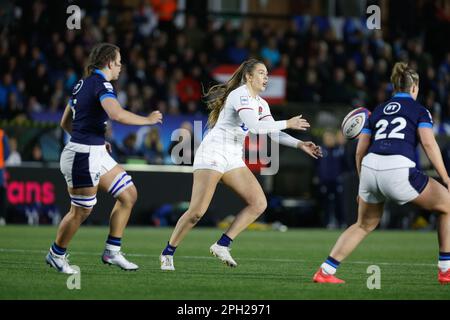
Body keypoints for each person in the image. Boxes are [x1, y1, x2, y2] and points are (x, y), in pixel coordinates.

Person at [159, 59, 322, 271]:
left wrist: (299, 143)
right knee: (197, 211)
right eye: (261, 73)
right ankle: (168, 252)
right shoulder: (240, 94)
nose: (266, 77)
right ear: (248, 76)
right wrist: (288, 122)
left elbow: (271, 131)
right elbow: (255, 127)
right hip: (213, 152)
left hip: (233, 157)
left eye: (266, 74)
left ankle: (222, 245)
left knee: (259, 203)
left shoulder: (261, 103)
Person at [313, 62, 450, 284]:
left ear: (394, 87)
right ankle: (445, 271)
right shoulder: (419, 110)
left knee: (363, 224)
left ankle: (325, 272)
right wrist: (445, 178)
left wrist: (361, 185)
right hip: (398, 168)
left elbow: (360, 151)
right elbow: (429, 143)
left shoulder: (377, 110)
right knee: (447, 205)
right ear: (414, 87)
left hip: (370, 168)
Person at [45, 43, 162, 274]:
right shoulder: (102, 84)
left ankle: (112, 251)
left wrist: (95, 138)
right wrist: (148, 120)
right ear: (109, 62)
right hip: (82, 155)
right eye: (118, 62)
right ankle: (56, 254)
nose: (120, 67)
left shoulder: (82, 83)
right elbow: (116, 114)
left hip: (93, 150)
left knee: (128, 194)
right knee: (80, 211)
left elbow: (65, 122)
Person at [0, 129, 10, 226]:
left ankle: (2, 217)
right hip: (0, 166)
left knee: (2, 193)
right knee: (2, 193)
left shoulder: (2, 134)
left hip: (0, 167)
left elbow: (7, 152)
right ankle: (2, 218)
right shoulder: (2, 134)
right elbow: (7, 152)